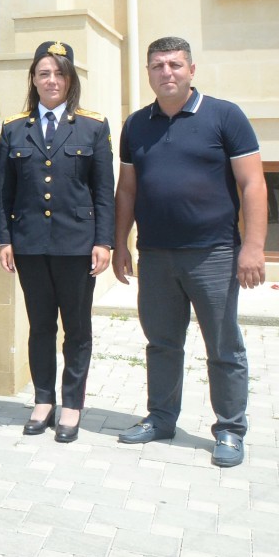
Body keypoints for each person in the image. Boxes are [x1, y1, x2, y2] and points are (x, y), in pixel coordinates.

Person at [113, 36, 267, 468]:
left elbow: (254, 184)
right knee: (161, 343)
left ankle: (230, 430)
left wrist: (253, 247)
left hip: (213, 254)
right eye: (158, 65)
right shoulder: (136, 124)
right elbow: (127, 188)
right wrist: (121, 242)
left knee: (223, 346)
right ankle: (161, 418)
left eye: (175, 64)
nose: (167, 72)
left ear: (192, 70)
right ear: (148, 73)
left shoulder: (224, 116)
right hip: (156, 255)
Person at [0, 41, 114, 443]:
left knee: (76, 329)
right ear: (33, 78)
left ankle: (73, 404)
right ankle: (43, 400)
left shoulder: (93, 126)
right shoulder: (13, 129)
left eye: (60, 73)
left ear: (71, 79)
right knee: (41, 325)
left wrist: (105, 242)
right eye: (44, 73)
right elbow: (2, 193)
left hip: (77, 245)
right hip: (30, 244)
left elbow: (103, 192)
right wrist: (5, 240)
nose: (52, 80)